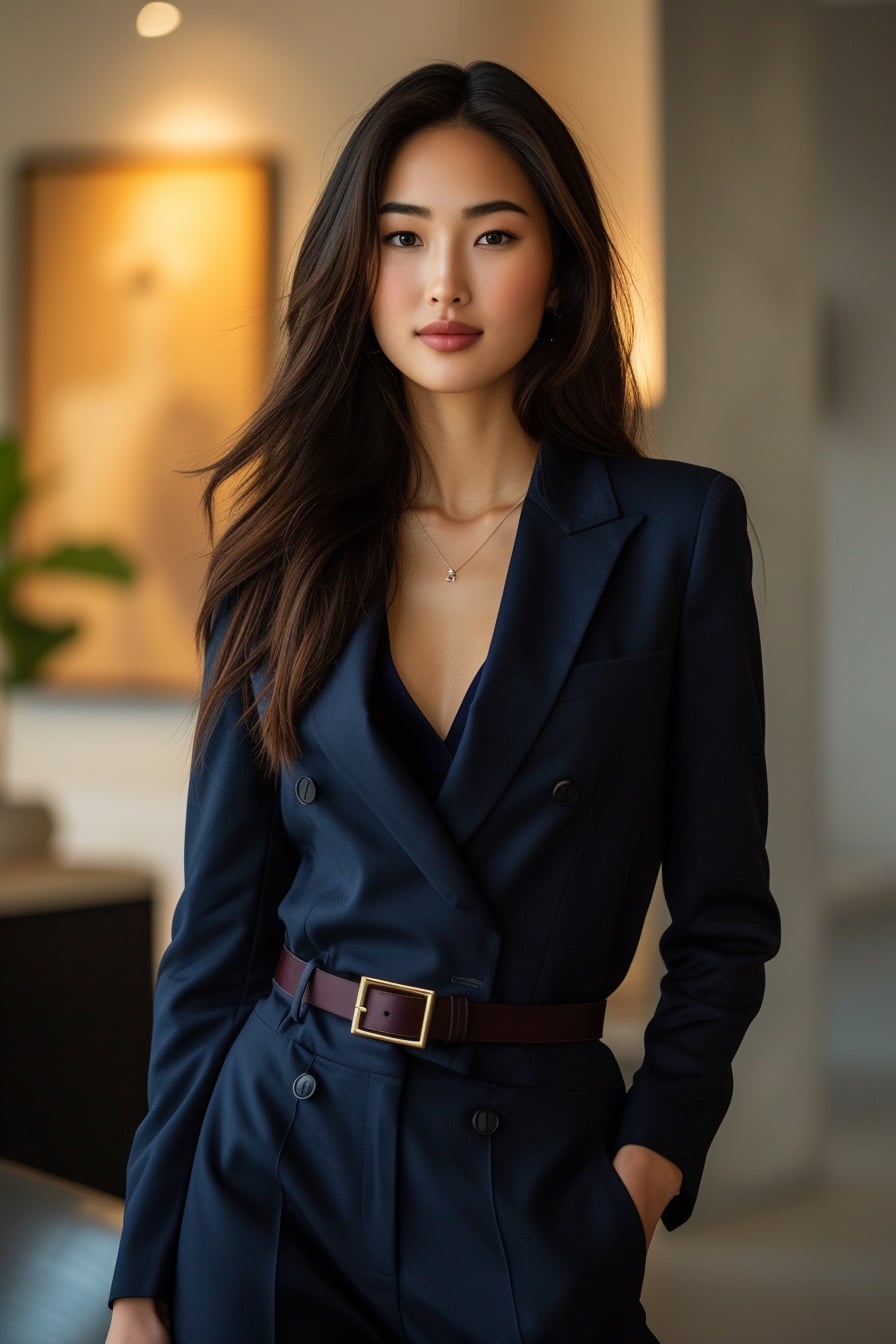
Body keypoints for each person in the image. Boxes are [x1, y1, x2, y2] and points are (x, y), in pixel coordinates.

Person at [106, 60, 780, 1344]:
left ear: (561, 268)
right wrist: (144, 1269)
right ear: (354, 271)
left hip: (526, 1178)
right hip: (273, 1161)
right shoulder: (279, 552)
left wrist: (638, 1180)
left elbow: (725, 922)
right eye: (401, 238)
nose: (444, 285)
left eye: (494, 236)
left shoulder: (676, 532)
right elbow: (216, 940)